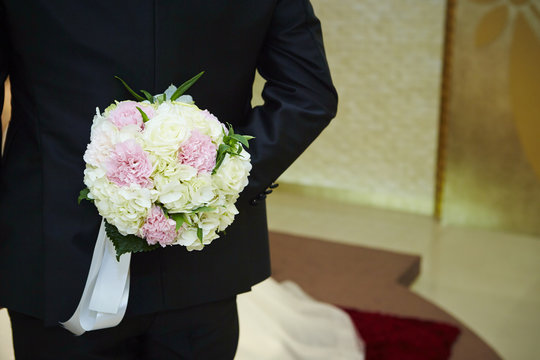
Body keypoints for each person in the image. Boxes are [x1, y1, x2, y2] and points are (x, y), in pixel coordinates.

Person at [0, 0, 337, 358]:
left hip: (53, 241)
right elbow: (307, 95)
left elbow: (307, 96)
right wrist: (207, 188)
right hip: (201, 260)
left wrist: (210, 187)